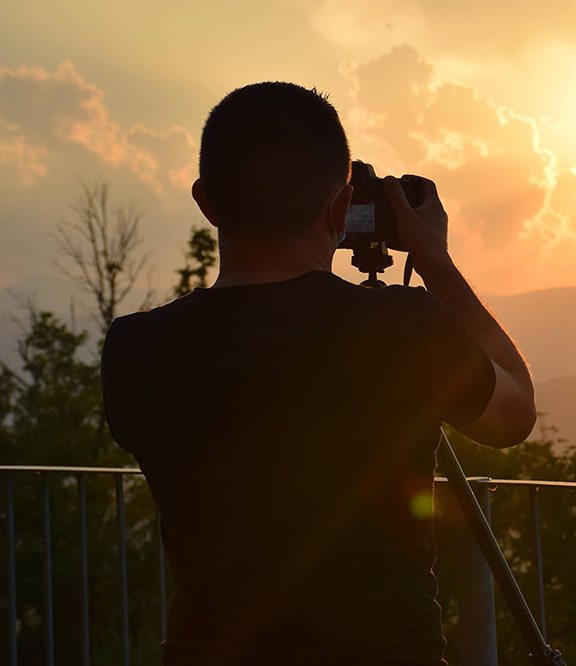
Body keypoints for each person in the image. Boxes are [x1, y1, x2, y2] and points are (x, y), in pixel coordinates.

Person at [100, 82, 536, 665]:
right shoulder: (406, 330)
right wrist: (434, 260)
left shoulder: (135, 347)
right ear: (340, 207)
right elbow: (514, 415)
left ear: (206, 203)